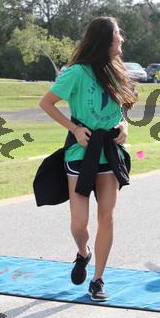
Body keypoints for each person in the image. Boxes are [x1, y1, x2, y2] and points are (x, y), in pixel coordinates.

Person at [38, 17, 136, 301]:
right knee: (79, 224)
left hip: (110, 153)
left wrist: (124, 127)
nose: (121, 39)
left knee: (107, 216)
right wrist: (74, 129)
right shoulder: (77, 73)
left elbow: (122, 111)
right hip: (81, 154)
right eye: (117, 34)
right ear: (105, 40)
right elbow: (46, 103)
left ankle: (98, 279)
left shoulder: (117, 72)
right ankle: (83, 252)